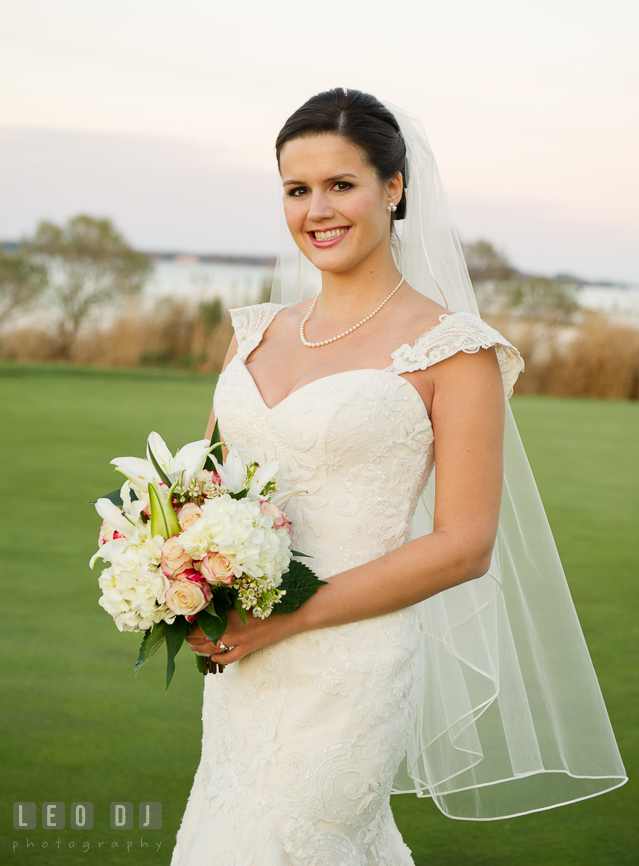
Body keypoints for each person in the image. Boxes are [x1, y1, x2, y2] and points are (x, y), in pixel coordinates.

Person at [172, 90, 625, 866]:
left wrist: (288, 619)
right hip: (242, 657)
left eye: (341, 184)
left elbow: (463, 545)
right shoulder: (255, 332)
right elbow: (198, 492)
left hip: (349, 663)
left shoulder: (455, 351)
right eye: (296, 188)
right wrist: (169, 571)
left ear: (394, 188)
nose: (317, 209)